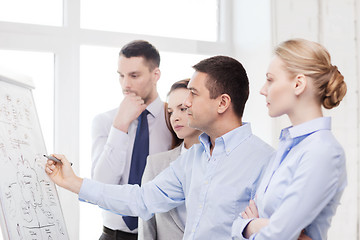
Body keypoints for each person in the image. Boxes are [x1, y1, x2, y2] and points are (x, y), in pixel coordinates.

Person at [45, 55, 275, 239]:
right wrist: (73, 182)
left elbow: (278, 231)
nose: (186, 102)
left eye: (194, 94)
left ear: (223, 103)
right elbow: (141, 199)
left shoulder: (266, 161)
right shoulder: (194, 158)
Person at [231, 38, 347, 240]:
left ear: (298, 83)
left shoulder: (323, 151)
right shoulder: (289, 147)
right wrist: (254, 225)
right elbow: (239, 223)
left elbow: (276, 235)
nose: (262, 89)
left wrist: (252, 226)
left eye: (270, 79)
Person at [91, 40, 172, 240]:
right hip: (113, 236)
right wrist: (120, 126)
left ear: (156, 75)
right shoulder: (105, 122)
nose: (126, 85)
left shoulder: (174, 121)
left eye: (134, 76)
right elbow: (101, 185)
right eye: (121, 76)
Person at [138, 79, 202, 240]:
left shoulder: (221, 161)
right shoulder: (156, 164)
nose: (175, 118)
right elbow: (146, 223)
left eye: (182, 109)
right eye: (171, 111)